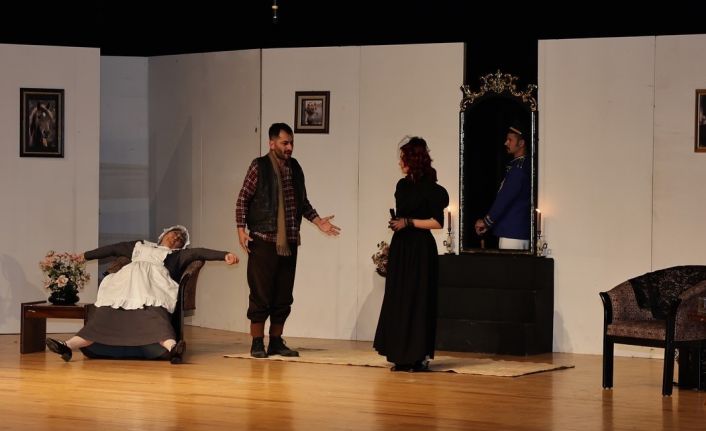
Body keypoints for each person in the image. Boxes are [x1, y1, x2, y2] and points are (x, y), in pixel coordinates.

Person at [45, 225, 238, 364]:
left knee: (154, 314)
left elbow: (201, 252)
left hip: (153, 289)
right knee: (105, 314)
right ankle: (67, 346)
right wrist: (85, 256)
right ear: (163, 235)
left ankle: (174, 349)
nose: (177, 237)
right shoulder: (139, 246)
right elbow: (113, 249)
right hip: (125, 288)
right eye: (174, 233)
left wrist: (225, 255)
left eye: (181, 237)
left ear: (182, 245)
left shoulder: (178, 255)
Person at [236, 123, 341, 358]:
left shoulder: (295, 167)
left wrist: (318, 221)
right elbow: (243, 198)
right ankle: (257, 343)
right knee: (260, 293)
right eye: (285, 143)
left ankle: (276, 341)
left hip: (289, 241)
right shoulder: (259, 166)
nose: (289, 147)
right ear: (271, 143)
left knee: (283, 295)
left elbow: (302, 202)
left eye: (291, 143)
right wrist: (240, 229)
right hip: (263, 238)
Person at [373, 136, 449, 372]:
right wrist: (398, 222)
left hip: (421, 249)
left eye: (403, 158)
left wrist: (408, 222)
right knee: (400, 298)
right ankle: (400, 355)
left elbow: (437, 223)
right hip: (402, 248)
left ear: (412, 160)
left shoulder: (434, 190)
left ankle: (418, 356)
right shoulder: (402, 185)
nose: (400, 162)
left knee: (419, 299)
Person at [474, 123, 531, 250]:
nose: (506, 143)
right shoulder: (524, 165)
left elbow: (505, 199)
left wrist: (486, 222)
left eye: (510, 140)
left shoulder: (518, 169)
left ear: (521, 143)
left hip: (511, 232)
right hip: (519, 231)